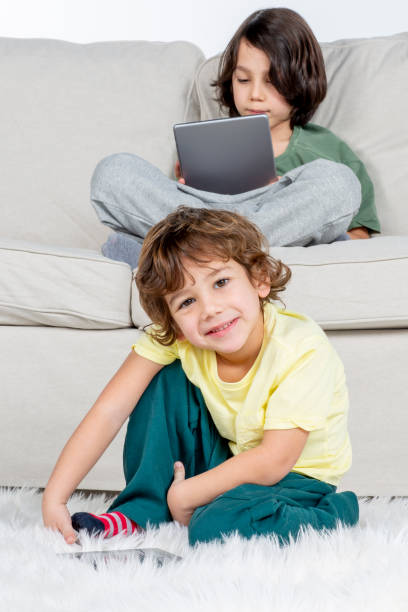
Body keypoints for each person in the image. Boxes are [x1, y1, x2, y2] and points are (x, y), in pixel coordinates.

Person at [42, 206, 359, 547]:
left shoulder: (300, 347)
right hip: (234, 459)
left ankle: (333, 513)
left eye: (221, 282)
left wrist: (186, 495)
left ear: (259, 280)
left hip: (297, 477)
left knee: (214, 526)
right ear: (174, 325)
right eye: (186, 302)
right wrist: (55, 497)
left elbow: (275, 460)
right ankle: (141, 511)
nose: (209, 309)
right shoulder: (180, 341)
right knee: (165, 378)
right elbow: (110, 410)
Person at [90, 8, 380, 270]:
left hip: (277, 243)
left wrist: (282, 205)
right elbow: (173, 212)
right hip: (211, 221)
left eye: (272, 81)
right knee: (113, 172)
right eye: (243, 80)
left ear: (301, 80)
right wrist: (188, 191)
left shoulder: (326, 148)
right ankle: (226, 249)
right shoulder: (207, 142)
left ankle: (205, 254)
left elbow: (356, 238)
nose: (255, 94)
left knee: (339, 182)